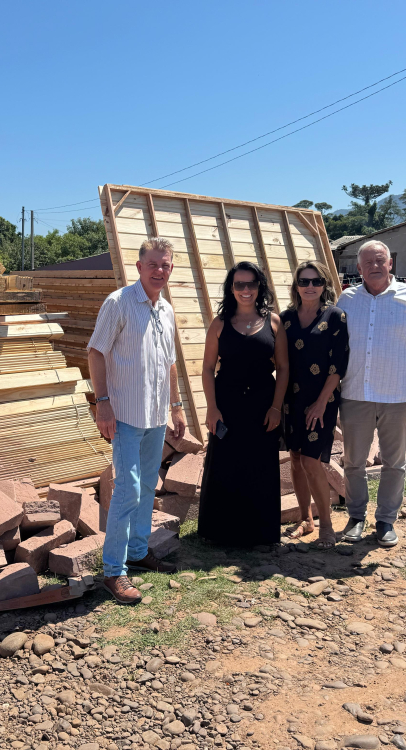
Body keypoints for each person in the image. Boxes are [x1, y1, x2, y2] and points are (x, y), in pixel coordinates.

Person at [87, 237, 186, 604]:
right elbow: (95, 352)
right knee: (126, 489)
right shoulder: (119, 303)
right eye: (154, 264)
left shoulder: (166, 309)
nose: (160, 270)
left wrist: (176, 406)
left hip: (156, 414)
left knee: (146, 487)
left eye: (166, 265)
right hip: (125, 414)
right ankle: (113, 571)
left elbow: (170, 363)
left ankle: (139, 551)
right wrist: (103, 403)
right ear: (140, 267)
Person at [336, 240, 406, 547]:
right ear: (358, 269)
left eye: (380, 260)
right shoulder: (348, 299)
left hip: (398, 395)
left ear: (390, 263)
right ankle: (356, 517)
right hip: (355, 393)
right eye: (368, 262)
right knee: (354, 461)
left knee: (394, 462)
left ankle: (385, 521)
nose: (375, 266)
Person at [197, 261, 289, 548]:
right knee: (225, 464)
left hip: (263, 405)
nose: (245, 290)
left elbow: (284, 368)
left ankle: (259, 534)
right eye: (239, 284)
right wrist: (211, 408)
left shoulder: (274, 322)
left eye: (251, 284)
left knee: (260, 466)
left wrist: (276, 407)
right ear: (231, 288)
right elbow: (207, 368)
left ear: (259, 286)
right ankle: (220, 532)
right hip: (227, 404)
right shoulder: (220, 324)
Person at [280, 261, 349, 549]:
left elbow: (338, 364)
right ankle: (306, 519)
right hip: (290, 399)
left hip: (322, 399)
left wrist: (321, 404)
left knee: (311, 460)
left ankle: (327, 527)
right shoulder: (285, 319)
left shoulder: (335, 317)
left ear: (324, 285)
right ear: (296, 286)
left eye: (316, 281)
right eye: (304, 281)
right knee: (295, 458)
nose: (310, 286)